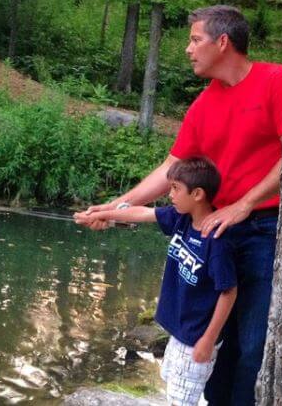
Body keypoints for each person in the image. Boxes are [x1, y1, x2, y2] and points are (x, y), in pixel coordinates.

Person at [75, 5, 282, 405]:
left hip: (263, 230)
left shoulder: (276, 81)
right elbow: (171, 169)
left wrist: (244, 205)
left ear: (222, 42)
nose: (188, 49)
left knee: (253, 345)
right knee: (213, 342)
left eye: (195, 40)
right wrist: (113, 207)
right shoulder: (204, 104)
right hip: (211, 234)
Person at [75, 157, 237, 405]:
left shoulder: (215, 241)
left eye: (175, 189)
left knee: (182, 401)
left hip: (196, 338)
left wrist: (207, 339)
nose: (169, 194)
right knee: (172, 386)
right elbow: (141, 212)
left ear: (197, 194)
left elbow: (229, 292)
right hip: (180, 333)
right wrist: (103, 212)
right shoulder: (181, 218)